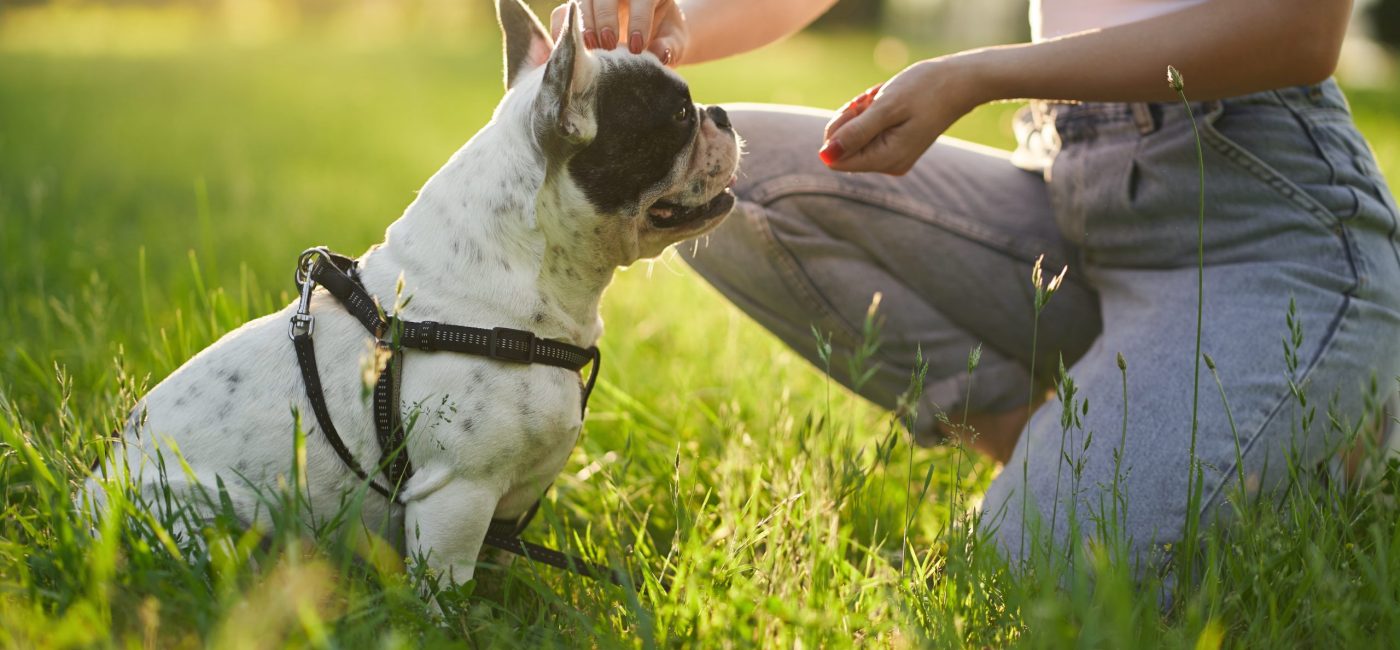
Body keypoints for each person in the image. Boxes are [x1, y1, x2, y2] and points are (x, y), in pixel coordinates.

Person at [552, 0, 1400, 567]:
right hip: (1074, 195)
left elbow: (1300, 30)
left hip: (1264, 227)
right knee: (737, 188)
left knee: (1026, 573)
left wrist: (982, 73)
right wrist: (660, 31)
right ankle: (1050, 450)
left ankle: (1339, 433)